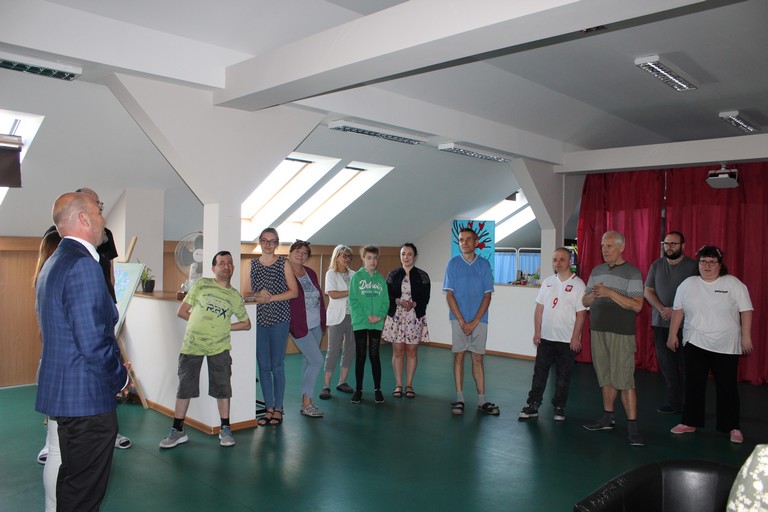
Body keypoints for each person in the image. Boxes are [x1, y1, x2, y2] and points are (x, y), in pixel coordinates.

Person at [35, 192, 129, 512]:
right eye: (99, 212)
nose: (104, 219)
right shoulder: (83, 265)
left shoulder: (55, 262)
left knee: (72, 483)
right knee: (84, 494)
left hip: (66, 395)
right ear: (84, 219)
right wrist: (120, 377)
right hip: (86, 400)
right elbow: (93, 342)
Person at [160, 251, 251, 448]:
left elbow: (246, 324)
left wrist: (224, 327)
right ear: (213, 268)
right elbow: (182, 311)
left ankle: (225, 428)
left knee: (222, 388)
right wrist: (201, 324)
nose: (226, 266)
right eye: (221, 263)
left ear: (233, 267)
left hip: (220, 347)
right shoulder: (201, 284)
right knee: (184, 388)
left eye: (229, 263)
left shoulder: (234, 296)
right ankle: (178, 430)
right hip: (191, 345)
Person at [667, 246, 753, 444]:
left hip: (726, 344)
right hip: (695, 342)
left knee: (727, 386)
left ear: (720, 264)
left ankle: (732, 426)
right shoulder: (688, 284)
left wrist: (746, 337)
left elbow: (746, 310)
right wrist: (672, 335)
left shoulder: (733, 284)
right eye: (703, 261)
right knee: (693, 384)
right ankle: (689, 421)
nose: (707, 266)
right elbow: (678, 310)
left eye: (712, 262)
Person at [582, 230, 645, 446]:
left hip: (621, 333)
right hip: (598, 330)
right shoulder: (597, 270)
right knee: (605, 377)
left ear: (621, 247)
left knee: (624, 379)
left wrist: (609, 293)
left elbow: (637, 305)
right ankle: (607, 418)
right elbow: (585, 301)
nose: (604, 250)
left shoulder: (632, 272)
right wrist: (593, 295)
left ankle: (633, 427)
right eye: (602, 246)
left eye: (609, 246)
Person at [518, 247, 586, 422]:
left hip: (566, 341)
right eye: (555, 259)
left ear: (570, 262)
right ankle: (533, 405)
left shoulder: (579, 284)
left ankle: (559, 407)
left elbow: (581, 314)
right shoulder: (547, 282)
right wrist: (537, 332)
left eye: (562, 259)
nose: (558, 263)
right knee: (539, 374)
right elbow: (539, 309)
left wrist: (575, 337)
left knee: (563, 376)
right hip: (546, 339)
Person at [443, 227, 499, 416]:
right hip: (457, 320)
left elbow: (487, 296)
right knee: (459, 356)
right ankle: (459, 399)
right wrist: (461, 320)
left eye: (468, 239)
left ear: (476, 242)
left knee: (477, 358)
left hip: (479, 320)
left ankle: (482, 400)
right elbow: (449, 295)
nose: (464, 242)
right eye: (461, 240)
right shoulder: (452, 264)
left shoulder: (484, 265)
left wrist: (474, 321)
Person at [246, 228, 298, 426]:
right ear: (260, 242)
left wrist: (271, 298)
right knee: (263, 366)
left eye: (272, 241)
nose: (268, 244)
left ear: (277, 243)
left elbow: (293, 292)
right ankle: (268, 409)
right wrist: (257, 295)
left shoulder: (284, 263)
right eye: (265, 240)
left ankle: (278, 408)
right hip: (259, 320)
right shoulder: (252, 265)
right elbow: (245, 293)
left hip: (279, 319)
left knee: (277, 365)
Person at [643, 231, 697, 414]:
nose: (669, 247)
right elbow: (648, 291)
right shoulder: (657, 265)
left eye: (673, 244)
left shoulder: (693, 266)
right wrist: (662, 309)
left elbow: (699, 294)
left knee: (687, 367)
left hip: (686, 326)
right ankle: (674, 403)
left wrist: (675, 310)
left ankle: (690, 404)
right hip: (661, 324)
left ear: (683, 246)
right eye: (666, 244)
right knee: (667, 366)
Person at [383, 243, 431, 398]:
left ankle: (409, 385)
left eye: (409, 254)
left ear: (414, 257)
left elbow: (425, 298)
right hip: (396, 317)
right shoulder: (392, 274)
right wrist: (397, 301)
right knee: (397, 351)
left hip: (414, 317)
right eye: (403, 254)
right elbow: (386, 296)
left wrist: (414, 304)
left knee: (411, 351)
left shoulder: (423, 276)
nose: (406, 257)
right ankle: (398, 384)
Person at [287, 240, 327, 417]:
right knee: (317, 360)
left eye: (304, 253)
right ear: (290, 253)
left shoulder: (310, 272)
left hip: (316, 324)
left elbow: (318, 296)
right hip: (299, 325)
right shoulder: (285, 273)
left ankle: (306, 398)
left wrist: (322, 320)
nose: (300, 255)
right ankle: (307, 403)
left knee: (309, 361)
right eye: (297, 251)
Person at [348, 245, 390, 404]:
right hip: (360, 321)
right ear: (363, 258)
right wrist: (367, 315)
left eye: (375, 258)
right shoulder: (357, 278)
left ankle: (377, 389)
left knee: (374, 355)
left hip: (376, 323)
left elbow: (386, 301)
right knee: (360, 356)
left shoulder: (381, 279)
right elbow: (353, 300)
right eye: (369, 258)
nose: (373, 261)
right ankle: (358, 390)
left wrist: (379, 316)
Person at [319, 244, 356, 399]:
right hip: (337, 317)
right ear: (337, 257)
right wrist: (351, 291)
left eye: (349, 256)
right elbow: (333, 294)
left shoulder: (354, 274)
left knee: (349, 349)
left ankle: (342, 381)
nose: (346, 259)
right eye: (343, 256)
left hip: (353, 316)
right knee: (333, 350)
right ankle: (326, 385)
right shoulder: (331, 274)